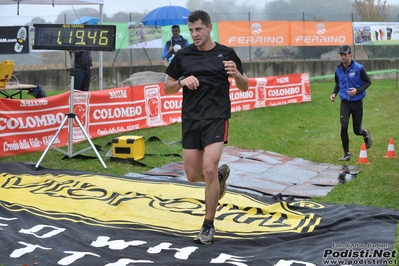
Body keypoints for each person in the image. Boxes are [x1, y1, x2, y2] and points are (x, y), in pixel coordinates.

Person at [164, 10, 248, 245]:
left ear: (210, 27)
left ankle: (208, 225)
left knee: (209, 168)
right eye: (191, 30)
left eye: (198, 29)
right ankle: (219, 179)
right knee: (193, 176)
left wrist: (237, 74)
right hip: (191, 120)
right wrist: (181, 82)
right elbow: (166, 87)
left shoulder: (226, 53)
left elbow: (245, 86)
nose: (194, 34)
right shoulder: (183, 56)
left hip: (216, 117)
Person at [330, 44, 372, 162]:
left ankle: (365, 133)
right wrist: (334, 93)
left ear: (350, 54)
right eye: (341, 55)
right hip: (345, 103)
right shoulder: (338, 69)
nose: (343, 57)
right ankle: (346, 153)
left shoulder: (359, 68)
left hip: (357, 102)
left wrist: (357, 91)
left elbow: (368, 82)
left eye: (345, 54)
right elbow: (338, 83)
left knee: (356, 130)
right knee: (343, 126)